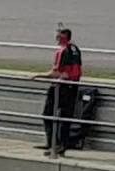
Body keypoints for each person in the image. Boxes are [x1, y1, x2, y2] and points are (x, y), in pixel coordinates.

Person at [32, 28, 83, 156]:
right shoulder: (75, 49)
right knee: (65, 117)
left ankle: (53, 144)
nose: (56, 38)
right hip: (73, 86)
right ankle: (60, 145)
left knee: (48, 114)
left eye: (59, 36)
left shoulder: (62, 51)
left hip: (61, 87)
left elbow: (58, 73)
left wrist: (39, 76)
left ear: (63, 37)